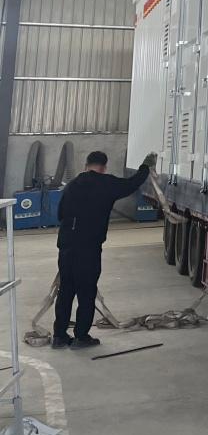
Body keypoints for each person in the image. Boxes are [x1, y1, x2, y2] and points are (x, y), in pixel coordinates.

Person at [52, 149, 158, 350]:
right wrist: (146, 166)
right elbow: (132, 183)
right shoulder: (107, 183)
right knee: (86, 292)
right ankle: (81, 336)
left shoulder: (72, 185)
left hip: (66, 246)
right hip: (88, 248)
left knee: (65, 291)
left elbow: (60, 214)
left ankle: (59, 336)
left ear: (86, 165)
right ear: (104, 167)